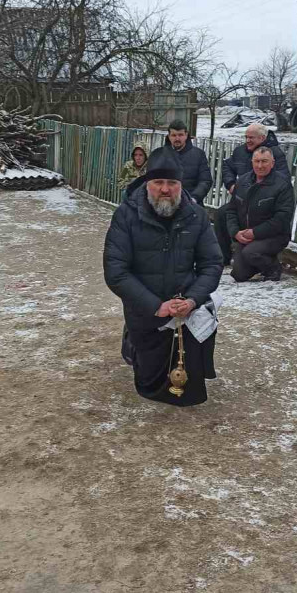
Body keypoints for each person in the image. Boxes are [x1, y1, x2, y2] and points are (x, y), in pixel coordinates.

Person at [103, 148, 224, 406]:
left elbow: (211, 264)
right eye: (158, 182)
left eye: (172, 183)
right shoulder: (126, 215)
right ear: (147, 184)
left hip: (185, 311)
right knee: (149, 386)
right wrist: (157, 307)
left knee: (188, 393)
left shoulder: (197, 216)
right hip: (147, 311)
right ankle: (133, 343)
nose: (165, 189)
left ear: (181, 185)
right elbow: (116, 271)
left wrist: (192, 300)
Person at [217, 123, 291, 264]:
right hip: (242, 202)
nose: (248, 141)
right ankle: (224, 256)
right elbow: (227, 166)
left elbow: (283, 179)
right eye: (246, 137)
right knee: (222, 213)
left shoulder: (274, 153)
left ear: (262, 138)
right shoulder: (240, 151)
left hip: (264, 205)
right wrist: (231, 184)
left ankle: (259, 256)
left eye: (252, 138)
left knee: (242, 267)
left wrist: (262, 189)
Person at [225, 147, 295, 283]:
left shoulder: (282, 185)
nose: (260, 165)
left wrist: (255, 233)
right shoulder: (243, 181)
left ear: (272, 163)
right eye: (256, 161)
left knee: (251, 253)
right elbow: (231, 210)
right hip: (246, 236)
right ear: (252, 162)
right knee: (238, 275)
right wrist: (235, 232)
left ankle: (273, 268)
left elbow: (282, 218)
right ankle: (257, 262)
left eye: (264, 161)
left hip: (274, 236)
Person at [164, 120, 212, 204]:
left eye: (180, 135)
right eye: (174, 135)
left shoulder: (198, 155)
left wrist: (194, 198)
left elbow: (205, 181)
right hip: (166, 204)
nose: (177, 138)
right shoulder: (161, 155)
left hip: (191, 203)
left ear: (186, 135)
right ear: (169, 136)